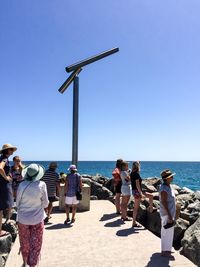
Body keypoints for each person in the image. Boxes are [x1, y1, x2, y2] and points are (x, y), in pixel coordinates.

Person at [16, 163, 49, 267]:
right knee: (36, 243)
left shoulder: (22, 185)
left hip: (23, 219)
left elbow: (18, 203)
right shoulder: (42, 184)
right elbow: (45, 203)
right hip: (37, 219)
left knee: (24, 242)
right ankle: (32, 264)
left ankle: (25, 262)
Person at [131, 161, 156, 228]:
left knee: (136, 208)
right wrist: (141, 193)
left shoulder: (132, 173)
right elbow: (137, 184)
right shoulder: (136, 174)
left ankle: (134, 222)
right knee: (151, 196)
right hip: (137, 191)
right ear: (138, 166)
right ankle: (150, 209)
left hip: (134, 191)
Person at [0, 143, 17, 237]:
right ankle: (2, 227)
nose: (12, 151)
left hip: (2, 185)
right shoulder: (4, 159)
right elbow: (0, 168)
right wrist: (6, 177)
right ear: (7, 150)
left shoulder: (2, 158)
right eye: (11, 150)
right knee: (7, 204)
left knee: (2, 207)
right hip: (4, 185)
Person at [159, 169, 176, 259]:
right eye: (171, 176)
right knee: (166, 232)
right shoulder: (164, 188)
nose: (172, 177)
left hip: (170, 213)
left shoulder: (168, 186)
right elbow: (164, 202)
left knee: (169, 232)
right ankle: (164, 251)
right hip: (166, 214)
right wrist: (169, 215)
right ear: (167, 178)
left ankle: (167, 250)